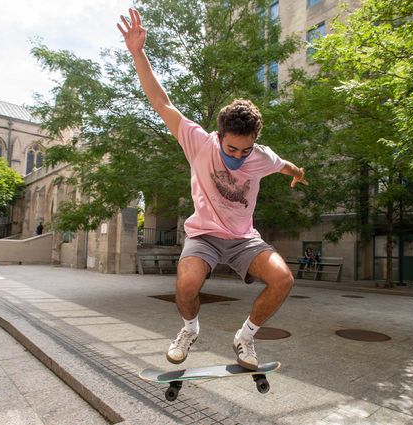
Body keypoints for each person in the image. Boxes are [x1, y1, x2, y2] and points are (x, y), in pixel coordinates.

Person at [117, 9, 309, 370]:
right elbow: (162, 102)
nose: (237, 157)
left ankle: (246, 336)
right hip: (204, 233)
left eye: (244, 150)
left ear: (255, 142)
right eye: (230, 149)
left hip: (243, 238)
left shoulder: (261, 156)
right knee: (187, 284)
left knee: (283, 279)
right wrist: (137, 53)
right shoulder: (199, 142)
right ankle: (190, 328)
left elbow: (285, 165)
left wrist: (297, 173)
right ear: (219, 137)